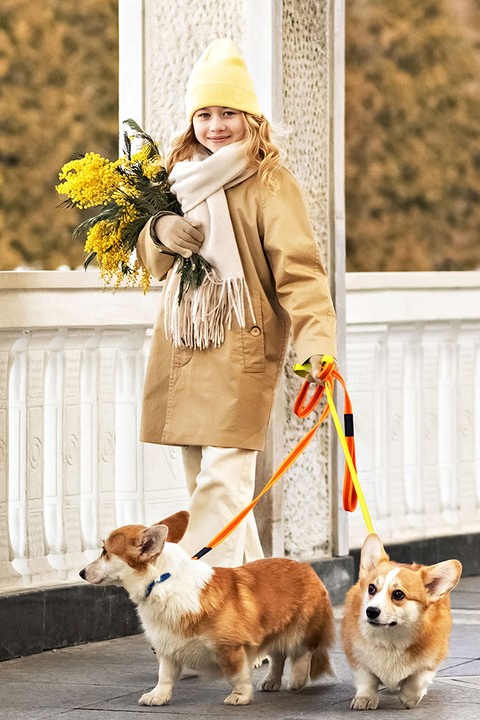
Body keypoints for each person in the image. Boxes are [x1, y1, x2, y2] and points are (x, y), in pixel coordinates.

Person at [136, 38, 338, 566]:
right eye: (205, 113)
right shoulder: (175, 178)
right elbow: (152, 265)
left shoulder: (271, 182)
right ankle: (262, 628)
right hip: (185, 346)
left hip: (241, 348)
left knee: (220, 490)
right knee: (213, 491)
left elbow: (300, 271)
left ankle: (202, 611)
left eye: (229, 111)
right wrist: (160, 230)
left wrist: (318, 344)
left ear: (251, 116)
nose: (216, 124)